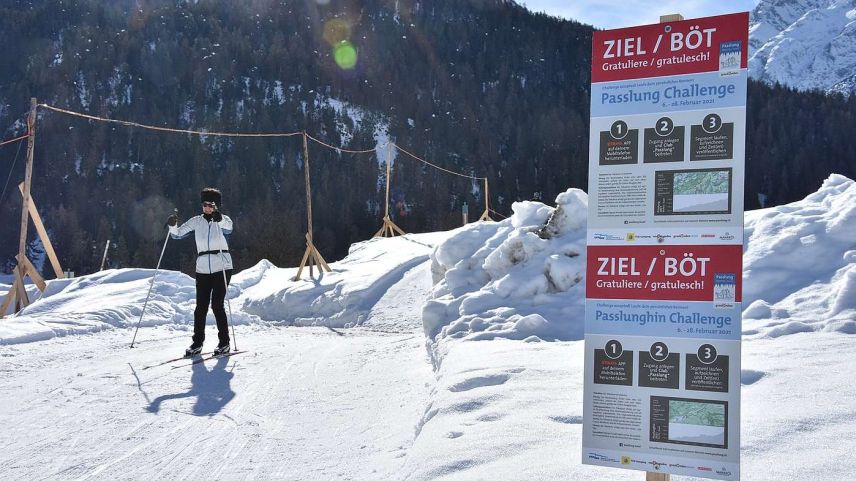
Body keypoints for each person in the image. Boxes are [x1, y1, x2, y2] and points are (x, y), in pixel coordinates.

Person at [167, 187, 234, 357]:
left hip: (222, 266)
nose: (207, 208)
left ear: (217, 206)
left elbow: (229, 228)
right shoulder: (196, 221)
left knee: (217, 305)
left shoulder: (222, 220)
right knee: (200, 307)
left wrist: (220, 220)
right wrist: (172, 225)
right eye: (205, 204)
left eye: (211, 205)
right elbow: (178, 234)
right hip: (203, 267)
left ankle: (224, 342)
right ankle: (197, 343)